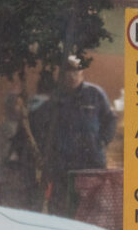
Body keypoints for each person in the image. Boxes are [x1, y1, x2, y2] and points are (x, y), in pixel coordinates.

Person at [32, 57, 116, 217]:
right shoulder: (55, 98)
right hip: (64, 168)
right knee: (62, 210)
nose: (72, 75)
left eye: (76, 70)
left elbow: (110, 119)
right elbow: (41, 126)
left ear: (82, 72)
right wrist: (48, 151)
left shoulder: (95, 94)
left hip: (92, 165)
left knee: (94, 211)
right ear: (61, 75)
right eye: (68, 71)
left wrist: (103, 140)